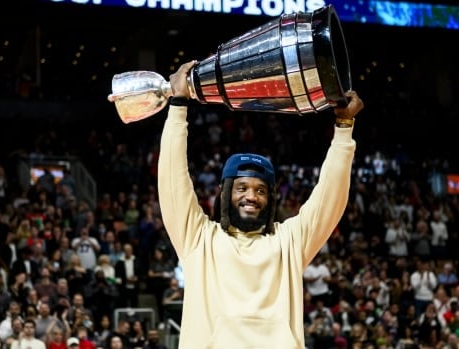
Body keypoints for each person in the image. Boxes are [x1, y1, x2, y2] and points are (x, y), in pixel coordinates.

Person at [156, 60, 364, 348]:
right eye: (241, 187)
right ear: (225, 192)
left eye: (261, 190)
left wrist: (343, 130)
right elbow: (172, 180)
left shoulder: (289, 242)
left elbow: (330, 199)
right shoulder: (199, 239)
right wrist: (178, 106)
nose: (251, 196)